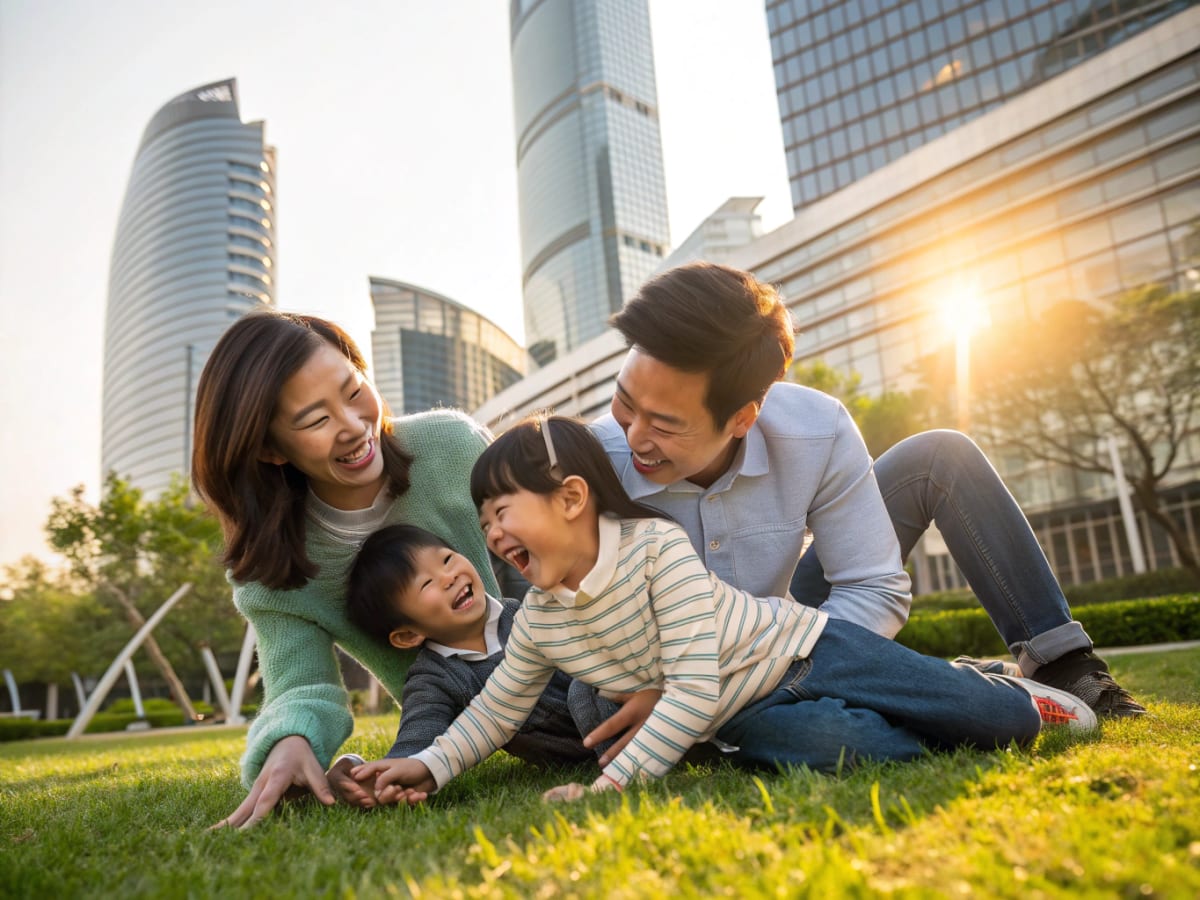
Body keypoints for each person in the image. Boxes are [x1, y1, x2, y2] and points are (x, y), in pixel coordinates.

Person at [349, 416, 1095, 805]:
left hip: (808, 648)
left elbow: (692, 685)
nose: (489, 535)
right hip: (743, 714)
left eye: (501, 511)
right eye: (483, 523)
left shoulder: (655, 550)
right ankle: (938, 704)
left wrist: (611, 786)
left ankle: (1019, 695)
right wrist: (427, 768)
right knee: (828, 745)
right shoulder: (541, 618)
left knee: (995, 721)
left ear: (572, 498)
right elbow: (493, 714)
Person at [582, 262, 1143, 757]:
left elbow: (873, 587)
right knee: (821, 737)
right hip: (679, 663)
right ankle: (959, 688)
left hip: (793, 630)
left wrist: (777, 664)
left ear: (741, 419)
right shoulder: (589, 462)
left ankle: (1066, 669)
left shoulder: (817, 429)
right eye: (625, 403)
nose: (634, 435)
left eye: (665, 423)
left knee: (939, 457)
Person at [191, 310, 524, 828]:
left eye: (353, 391)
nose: (354, 427)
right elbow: (301, 685)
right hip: (455, 729)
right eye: (315, 420)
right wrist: (291, 740)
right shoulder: (271, 568)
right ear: (269, 448)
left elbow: (546, 561)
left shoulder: (451, 447)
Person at [326, 523, 594, 808]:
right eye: (426, 584)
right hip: (580, 752)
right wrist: (373, 777)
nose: (448, 577)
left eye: (447, 559)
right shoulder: (434, 678)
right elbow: (416, 744)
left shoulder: (531, 611)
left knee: (585, 691)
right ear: (408, 635)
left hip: (623, 704)